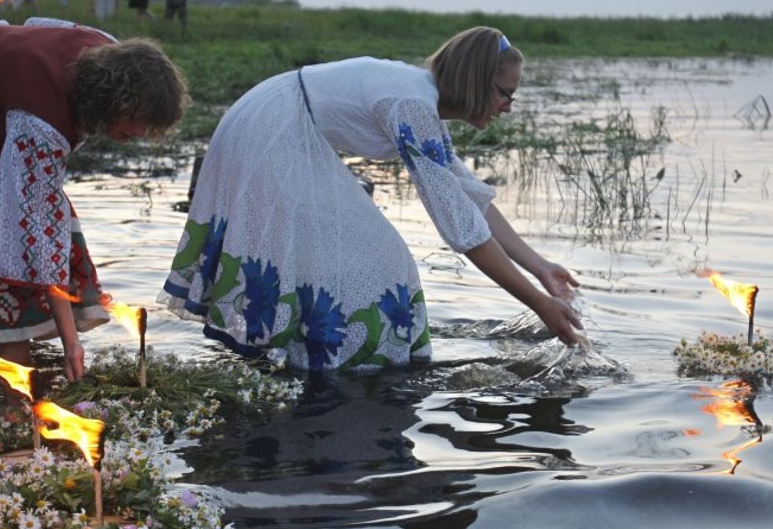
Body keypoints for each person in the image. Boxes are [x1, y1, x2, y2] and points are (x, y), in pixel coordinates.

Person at [160, 27, 583, 371]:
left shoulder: (420, 102)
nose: (508, 106)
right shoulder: (412, 104)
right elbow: (462, 229)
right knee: (382, 260)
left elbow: (470, 200)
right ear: (475, 82)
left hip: (273, 122)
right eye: (504, 93)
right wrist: (539, 304)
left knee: (349, 256)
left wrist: (541, 268)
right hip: (271, 129)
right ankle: (332, 363)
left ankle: (298, 356)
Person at [0, 18, 189, 379]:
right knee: (2, 230)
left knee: (35, 216)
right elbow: (33, 232)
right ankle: (14, 375)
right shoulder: (43, 121)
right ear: (113, 99)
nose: (138, 133)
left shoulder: (106, 50)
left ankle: (33, 340)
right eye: (135, 120)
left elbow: (38, 28)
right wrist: (71, 342)